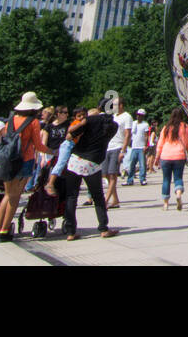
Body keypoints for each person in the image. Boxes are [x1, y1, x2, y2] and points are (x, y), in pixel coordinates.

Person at [0, 92, 51, 242]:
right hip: (24, 161)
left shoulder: (10, 120)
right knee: (15, 196)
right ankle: (4, 231)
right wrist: (52, 151)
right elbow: (38, 145)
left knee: (7, 194)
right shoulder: (33, 122)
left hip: (8, 161)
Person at [60, 104, 121, 241]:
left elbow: (69, 136)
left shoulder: (91, 121)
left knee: (71, 196)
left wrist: (82, 125)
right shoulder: (114, 126)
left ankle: (70, 231)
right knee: (98, 197)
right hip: (93, 163)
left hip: (76, 159)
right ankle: (103, 228)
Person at [155, 107, 188, 211]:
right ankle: (178, 194)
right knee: (178, 178)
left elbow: (160, 143)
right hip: (179, 155)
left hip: (166, 155)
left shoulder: (166, 127)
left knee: (166, 179)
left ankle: (166, 204)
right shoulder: (185, 127)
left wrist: (157, 157)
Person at [104, 102, 133, 207]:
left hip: (117, 147)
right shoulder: (112, 116)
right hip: (108, 146)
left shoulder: (127, 117)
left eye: (115, 105)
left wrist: (123, 150)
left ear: (121, 105)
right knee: (106, 174)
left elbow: (127, 134)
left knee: (112, 174)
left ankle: (106, 200)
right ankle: (115, 199)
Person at [124, 109, 150, 187]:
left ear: (143, 116)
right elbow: (130, 134)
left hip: (141, 147)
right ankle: (130, 180)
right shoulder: (133, 123)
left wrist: (146, 146)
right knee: (132, 164)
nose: (138, 116)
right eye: (138, 115)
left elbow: (146, 136)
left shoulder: (145, 124)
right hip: (134, 147)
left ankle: (142, 179)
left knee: (142, 164)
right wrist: (128, 143)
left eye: (140, 115)